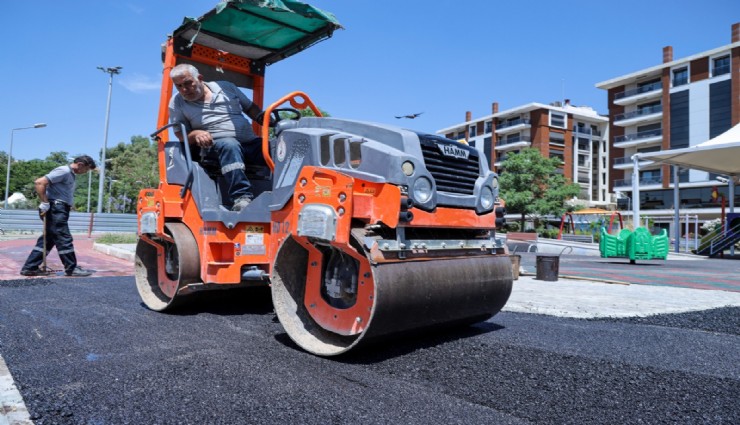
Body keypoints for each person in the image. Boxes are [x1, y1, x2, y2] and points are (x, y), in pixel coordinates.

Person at [169, 63, 272, 211]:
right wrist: (197, 134)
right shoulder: (177, 102)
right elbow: (180, 134)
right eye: (179, 86)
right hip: (211, 148)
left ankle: (285, 194)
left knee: (276, 147)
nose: (184, 90)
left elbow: (250, 108)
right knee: (230, 145)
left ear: (200, 78)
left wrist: (267, 119)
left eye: (187, 83)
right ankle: (241, 197)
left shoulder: (226, 87)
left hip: (249, 143)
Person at [20, 155, 97, 277]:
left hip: (59, 208)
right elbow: (40, 182)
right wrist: (45, 202)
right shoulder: (64, 171)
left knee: (48, 240)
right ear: (80, 165)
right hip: (56, 209)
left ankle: (30, 267)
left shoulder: (69, 174)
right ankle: (71, 268)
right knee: (64, 237)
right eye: (86, 170)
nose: (85, 172)